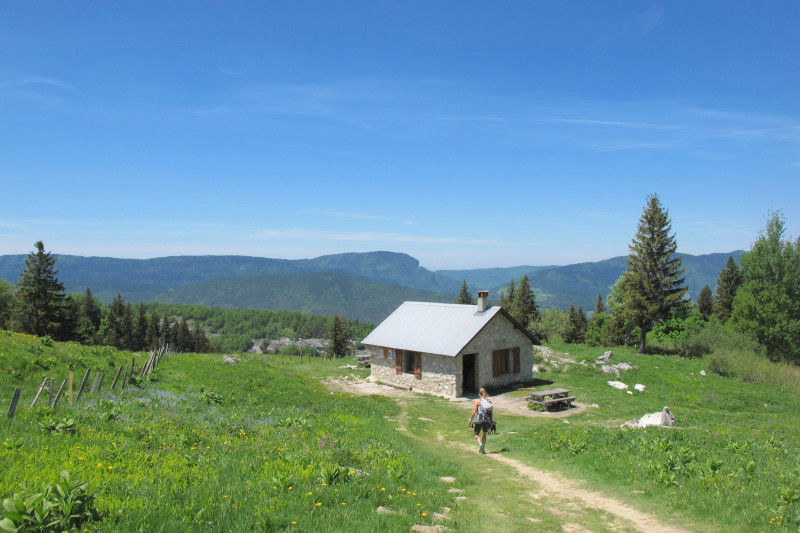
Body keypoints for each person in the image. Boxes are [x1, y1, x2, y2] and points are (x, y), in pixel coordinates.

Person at [468, 388, 493, 454]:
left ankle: (480, 444)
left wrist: (470, 420)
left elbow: (474, 412)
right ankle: (483, 450)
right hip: (487, 420)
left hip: (479, 419)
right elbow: (491, 413)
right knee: (484, 434)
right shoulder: (489, 402)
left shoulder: (477, 401)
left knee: (476, 434)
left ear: (479, 394)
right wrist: (491, 422)